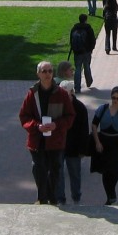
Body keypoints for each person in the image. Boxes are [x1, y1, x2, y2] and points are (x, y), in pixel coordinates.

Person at [18, 60, 75, 205]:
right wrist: (37, 126)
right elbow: (24, 116)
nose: (48, 74)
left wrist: (56, 125)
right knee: (39, 169)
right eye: (44, 71)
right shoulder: (32, 94)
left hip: (55, 140)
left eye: (50, 71)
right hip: (37, 140)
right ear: (38, 74)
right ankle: (42, 198)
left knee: (55, 169)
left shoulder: (61, 94)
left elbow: (70, 116)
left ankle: (52, 197)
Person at [55, 80, 88, 205]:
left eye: (66, 94)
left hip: (74, 147)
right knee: (58, 172)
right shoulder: (56, 105)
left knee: (75, 173)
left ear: (72, 92)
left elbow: (84, 130)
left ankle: (76, 198)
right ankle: (60, 198)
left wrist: (82, 149)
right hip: (58, 145)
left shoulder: (80, 108)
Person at [69, 14, 96, 93]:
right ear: (86, 20)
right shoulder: (88, 28)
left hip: (77, 52)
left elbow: (71, 40)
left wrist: (74, 49)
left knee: (77, 68)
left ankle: (77, 88)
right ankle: (89, 82)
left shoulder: (74, 28)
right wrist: (91, 49)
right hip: (86, 51)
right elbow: (92, 40)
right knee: (86, 66)